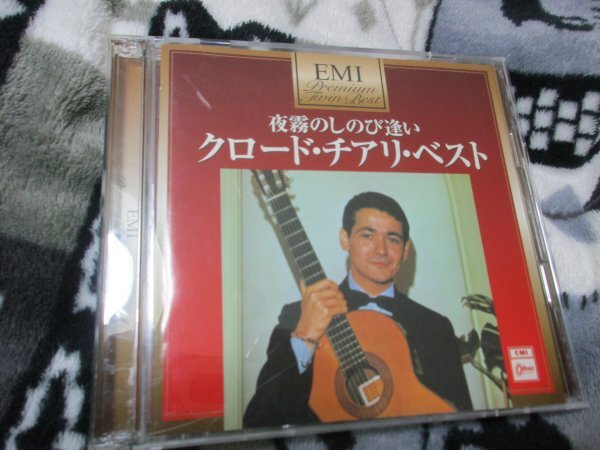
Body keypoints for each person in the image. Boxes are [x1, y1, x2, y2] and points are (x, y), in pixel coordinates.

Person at [244, 192, 472, 427]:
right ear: (345, 239)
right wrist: (306, 335)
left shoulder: (435, 327)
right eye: (368, 235)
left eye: (393, 239)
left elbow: (465, 425)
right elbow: (259, 421)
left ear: (405, 250)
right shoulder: (298, 316)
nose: (381, 250)